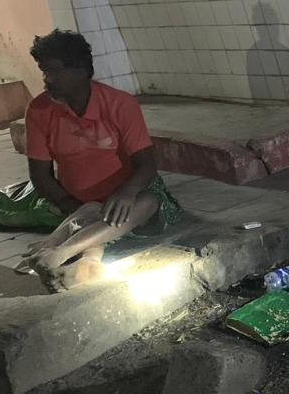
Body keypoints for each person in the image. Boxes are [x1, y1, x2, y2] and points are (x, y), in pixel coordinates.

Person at [20, 30, 180, 291]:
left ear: (82, 70)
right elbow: (40, 175)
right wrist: (72, 206)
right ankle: (82, 261)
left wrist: (127, 191)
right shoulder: (39, 110)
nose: (48, 80)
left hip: (127, 198)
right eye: (44, 72)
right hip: (75, 202)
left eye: (55, 71)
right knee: (91, 212)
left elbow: (147, 163)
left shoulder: (119, 104)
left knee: (148, 202)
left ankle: (59, 253)